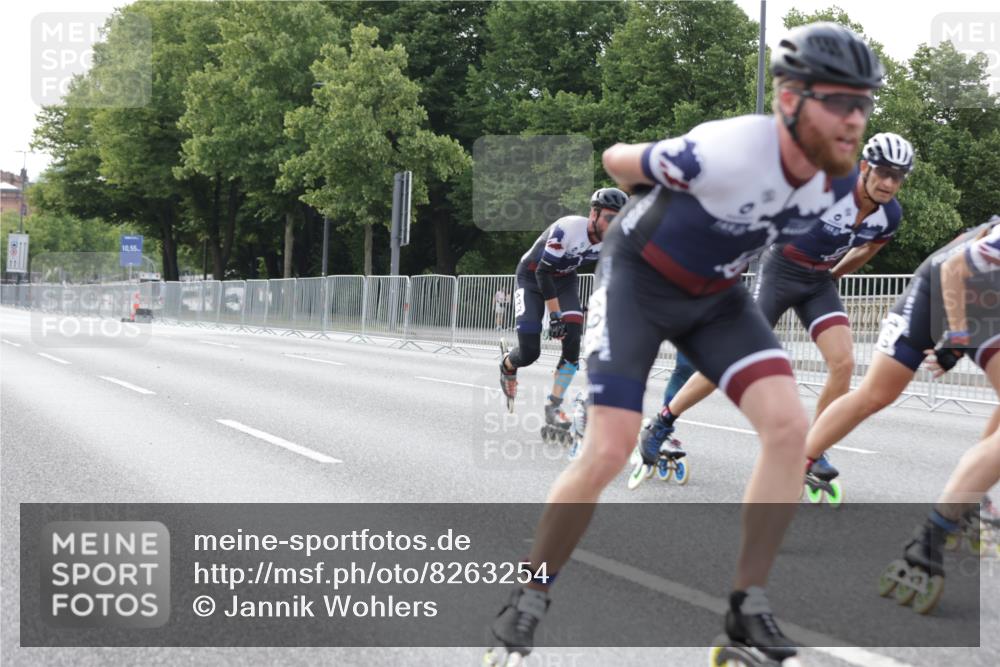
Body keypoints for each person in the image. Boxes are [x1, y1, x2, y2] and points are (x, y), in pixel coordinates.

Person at [484, 22, 883, 666]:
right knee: (609, 447)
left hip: (717, 297)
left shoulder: (834, 185)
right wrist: (663, 193)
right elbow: (617, 157)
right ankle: (529, 594)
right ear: (789, 101)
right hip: (639, 283)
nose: (854, 121)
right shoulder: (726, 149)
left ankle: (746, 605)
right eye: (839, 102)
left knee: (786, 428)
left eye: (863, 104)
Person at [631, 133, 914, 495]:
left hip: (818, 280)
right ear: (864, 168)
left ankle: (814, 449)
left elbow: (870, 248)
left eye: (898, 176)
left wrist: (834, 275)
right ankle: (662, 423)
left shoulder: (890, 215)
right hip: (781, 269)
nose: (890, 183)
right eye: (883, 173)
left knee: (843, 364)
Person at [811, 216, 1000, 613]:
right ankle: (798, 459)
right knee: (877, 394)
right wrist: (958, 338)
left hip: (989, 304)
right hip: (943, 286)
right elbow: (954, 268)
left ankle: (967, 497)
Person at [498, 188, 627, 431]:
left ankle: (553, 407)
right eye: (609, 218)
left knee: (573, 343)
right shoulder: (568, 228)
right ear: (594, 213)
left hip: (565, 280)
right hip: (532, 278)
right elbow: (542, 272)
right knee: (530, 352)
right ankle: (507, 364)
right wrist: (555, 316)